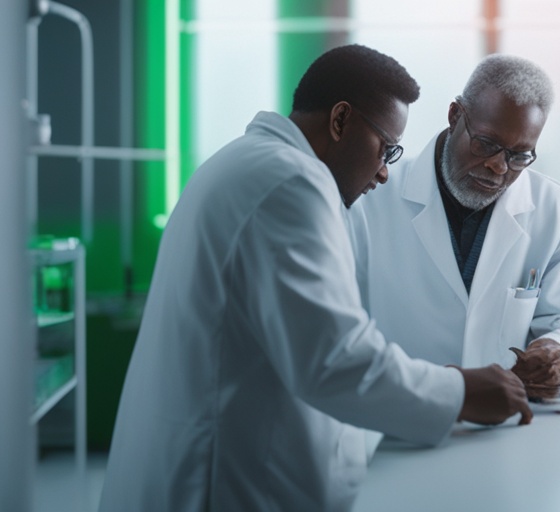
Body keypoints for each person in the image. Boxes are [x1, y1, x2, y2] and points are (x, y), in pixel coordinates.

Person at [99, 45, 531, 512]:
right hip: (217, 483)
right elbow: (333, 360)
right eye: (386, 149)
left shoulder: (249, 163)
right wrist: (461, 391)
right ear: (341, 120)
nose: (385, 172)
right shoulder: (289, 183)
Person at [348, 54, 560, 400]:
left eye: (519, 155)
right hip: (400, 417)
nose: (499, 167)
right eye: (486, 143)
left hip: (508, 424)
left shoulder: (555, 212)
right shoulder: (370, 198)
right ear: (455, 116)